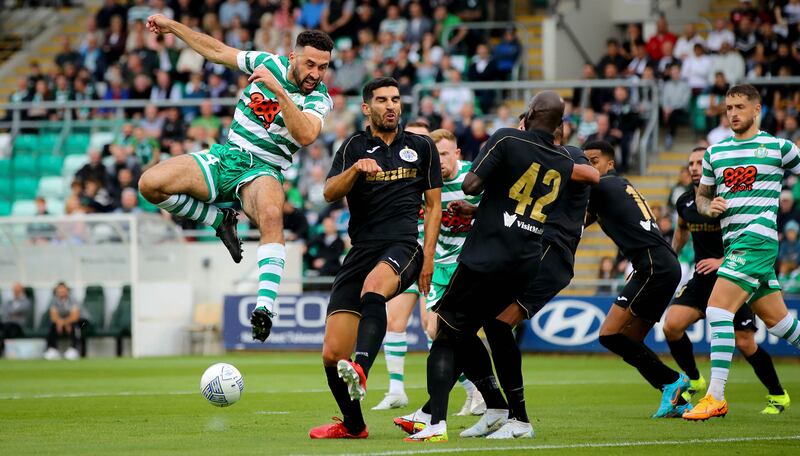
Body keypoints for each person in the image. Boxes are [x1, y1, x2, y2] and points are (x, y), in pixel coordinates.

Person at [406, 92, 592, 442]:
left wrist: (490, 179)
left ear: (532, 113)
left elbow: (470, 184)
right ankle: (505, 412)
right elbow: (524, 202)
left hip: (487, 255)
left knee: (446, 332)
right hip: (524, 260)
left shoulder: (507, 137)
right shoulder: (563, 160)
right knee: (493, 328)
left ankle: (435, 422)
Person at [138, 15, 334, 342]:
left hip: (264, 169)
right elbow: (215, 50)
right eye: (310, 64)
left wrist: (279, 92)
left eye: (323, 67)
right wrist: (173, 26)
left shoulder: (318, 99)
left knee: (272, 215)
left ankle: (265, 308)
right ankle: (219, 219)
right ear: (293, 57)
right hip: (227, 156)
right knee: (149, 184)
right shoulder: (265, 62)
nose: (315, 74)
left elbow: (307, 134)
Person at [308, 77, 443, 439]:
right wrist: (355, 169)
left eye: (396, 99)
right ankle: (353, 425)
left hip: (403, 245)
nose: (391, 106)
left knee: (373, 290)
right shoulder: (353, 145)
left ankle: (363, 367)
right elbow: (328, 192)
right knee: (332, 354)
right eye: (382, 100)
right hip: (361, 250)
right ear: (367, 108)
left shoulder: (422, 146)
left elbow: (433, 207)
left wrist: (428, 257)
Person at [684, 84, 800, 420]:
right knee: (781, 324)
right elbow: (703, 197)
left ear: (756, 109)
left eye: (738, 106)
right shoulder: (715, 153)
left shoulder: (778, 147)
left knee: (717, 310)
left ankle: (715, 396)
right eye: (728, 108)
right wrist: (709, 207)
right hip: (735, 242)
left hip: (757, 239)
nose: (732, 113)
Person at [663, 147, 791, 415]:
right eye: (691, 163)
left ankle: (778, 394)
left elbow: (746, 232)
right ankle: (696, 379)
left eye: (700, 162)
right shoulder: (685, 202)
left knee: (748, 342)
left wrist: (723, 260)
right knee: (671, 325)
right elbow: (681, 233)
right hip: (702, 279)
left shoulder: (730, 197)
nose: (695, 167)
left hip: (735, 273)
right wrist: (669, 259)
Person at [374, 128, 484, 414]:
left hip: (465, 264)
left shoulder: (475, 177)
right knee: (427, 327)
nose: (441, 161)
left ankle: (479, 393)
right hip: (428, 260)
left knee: (442, 329)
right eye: (436, 155)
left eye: (446, 154)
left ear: (458, 153)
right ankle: (477, 392)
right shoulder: (424, 181)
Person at [583, 140, 688, 418]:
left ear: (609, 164)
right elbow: (581, 221)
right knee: (629, 339)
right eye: (585, 162)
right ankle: (675, 398)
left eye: (593, 161)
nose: (588, 167)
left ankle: (672, 381)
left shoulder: (602, 187)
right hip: (658, 265)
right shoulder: (616, 187)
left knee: (609, 335)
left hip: (654, 267)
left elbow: (571, 216)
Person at [44, 282, 87, 361]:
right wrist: (60, 322)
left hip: (83, 322)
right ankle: (53, 349)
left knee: (74, 325)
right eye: (59, 290)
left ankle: (74, 350)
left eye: (63, 290)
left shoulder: (73, 299)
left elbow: (75, 316)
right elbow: (53, 316)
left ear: (67, 290)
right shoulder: (54, 300)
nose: (61, 292)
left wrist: (65, 322)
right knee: (52, 325)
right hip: (63, 321)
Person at [0, 283, 32, 356]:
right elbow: (4, 313)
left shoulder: (27, 301)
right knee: (6, 326)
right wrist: (14, 315)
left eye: (18, 291)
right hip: (7, 324)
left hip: (18, 326)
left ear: (22, 291)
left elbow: (22, 310)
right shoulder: (9, 302)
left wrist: (10, 314)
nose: (16, 292)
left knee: (8, 327)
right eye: (14, 291)